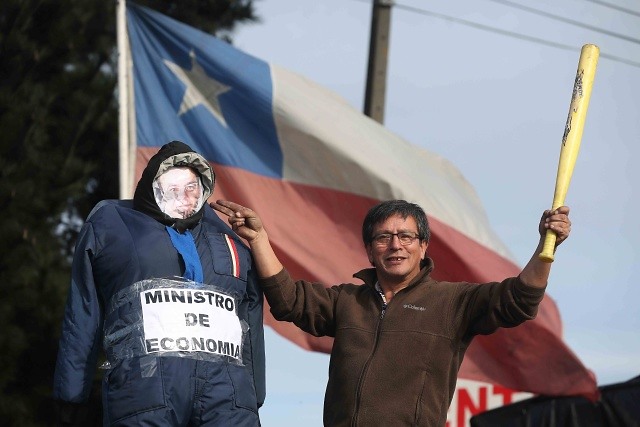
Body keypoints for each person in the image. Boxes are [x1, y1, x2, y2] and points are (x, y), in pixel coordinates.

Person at [212, 198, 572, 427]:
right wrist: (258, 240)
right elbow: (289, 300)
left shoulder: (454, 302)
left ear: (423, 246)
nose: (395, 245)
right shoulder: (346, 300)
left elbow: (520, 300)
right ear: (370, 251)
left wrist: (545, 247)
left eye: (406, 236)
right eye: (383, 237)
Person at [53, 141, 265, 426]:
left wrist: (254, 392)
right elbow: (83, 309)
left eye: (192, 187)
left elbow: (250, 312)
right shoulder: (113, 221)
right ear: (154, 185)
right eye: (172, 187)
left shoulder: (229, 238)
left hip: (225, 394)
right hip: (146, 386)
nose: (184, 196)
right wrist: (71, 391)